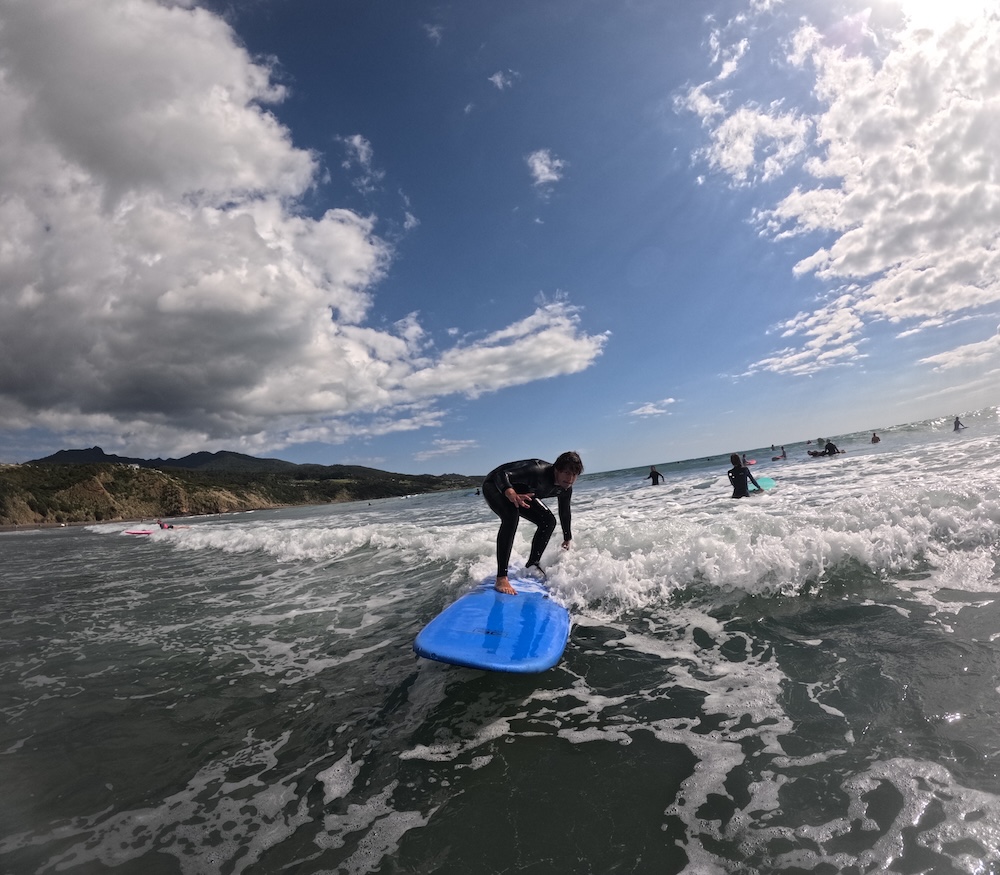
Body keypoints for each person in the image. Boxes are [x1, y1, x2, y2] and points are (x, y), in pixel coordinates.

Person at [482, 451, 584, 595]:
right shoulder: (537, 470)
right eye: (567, 473)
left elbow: (565, 511)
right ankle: (501, 578)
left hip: (522, 493)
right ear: (557, 469)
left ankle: (533, 564)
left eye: (574, 474)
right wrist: (510, 493)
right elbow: (501, 475)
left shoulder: (565, 488)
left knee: (548, 521)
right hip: (495, 485)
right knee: (511, 517)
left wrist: (567, 538)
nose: (570, 479)